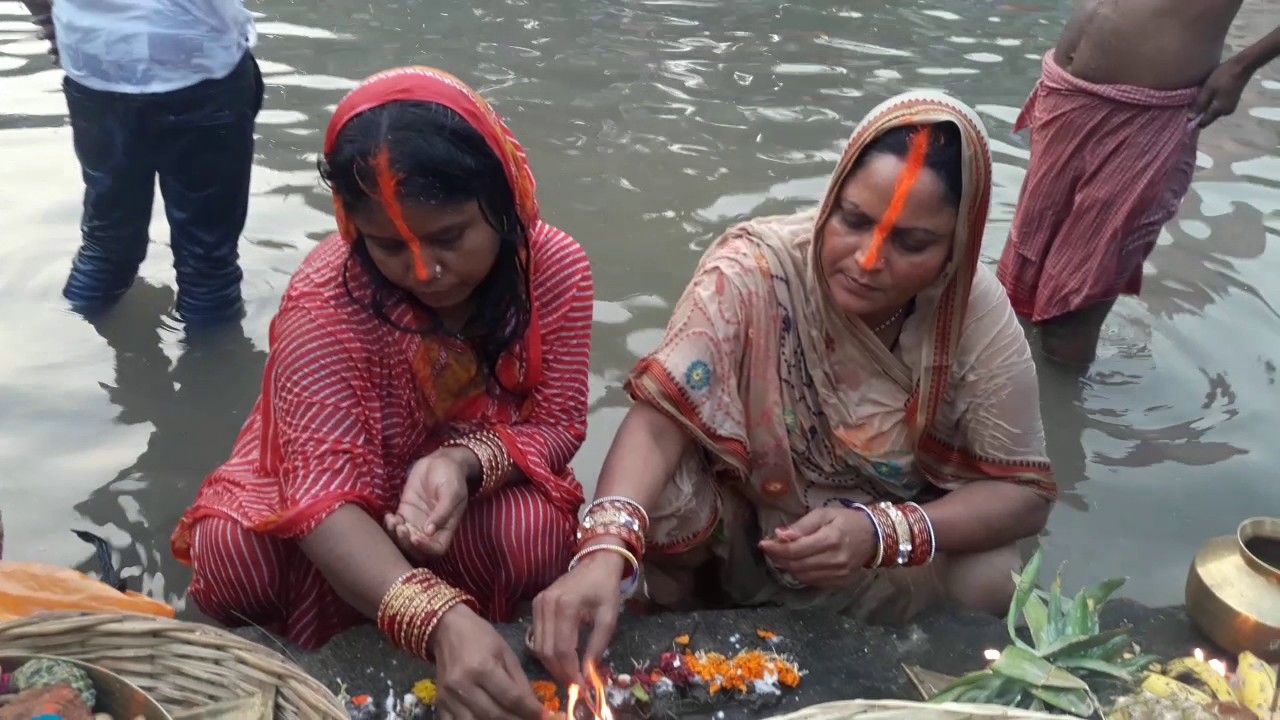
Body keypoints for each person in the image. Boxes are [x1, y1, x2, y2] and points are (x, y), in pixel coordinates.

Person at [531, 91, 1059, 685]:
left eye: (911, 244)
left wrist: (878, 533)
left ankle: (888, 666)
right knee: (664, 492)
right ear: (830, 200)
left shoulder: (971, 314)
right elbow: (661, 417)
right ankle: (681, 621)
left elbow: (1023, 493)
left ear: (956, 246)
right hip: (750, 526)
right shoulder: (754, 271)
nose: (867, 260)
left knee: (994, 576)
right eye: (853, 220)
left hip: (874, 550)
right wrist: (604, 551)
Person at [171, 67, 594, 720]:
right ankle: (301, 661)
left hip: (460, 492)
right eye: (390, 246)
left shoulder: (555, 270)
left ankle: (493, 650)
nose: (425, 270)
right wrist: (439, 620)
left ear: (504, 198)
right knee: (232, 548)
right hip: (332, 483)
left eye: (450, 236)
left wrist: (463, 463)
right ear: (352, 226)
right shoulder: (324, 303)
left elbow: (558, 424)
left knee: (532, 529)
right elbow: (317, 496)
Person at [997, 0, 1280, 366]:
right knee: (1018, 287)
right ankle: (1006, 403)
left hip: (1148, 114)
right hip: (1066, 93)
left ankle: (1060, 416)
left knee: (1073, 312)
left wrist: (1242, 67)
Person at [20, 0, 263, 327]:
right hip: (195, 57)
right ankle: (215, 370)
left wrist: (51, 21)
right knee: (207, 266)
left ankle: (65, 348)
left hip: (92, 58)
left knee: (105, 246)